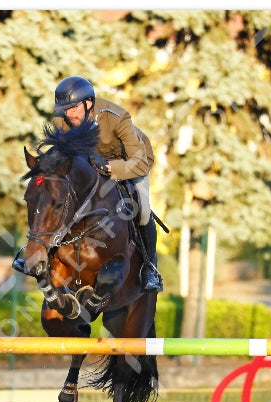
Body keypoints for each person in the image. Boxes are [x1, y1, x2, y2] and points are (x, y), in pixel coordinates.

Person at [14, 76, 163, 292]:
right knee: (58, 195)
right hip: (91, 161)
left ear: (89, 103)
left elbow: (139, 162)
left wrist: (112, 168)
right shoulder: (63, 118)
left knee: (143, 210)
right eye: (65, 109)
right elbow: (62, 153)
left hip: (131, 161)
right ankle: (37, 247)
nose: (69, 114)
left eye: (74, 107)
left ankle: (150, 267)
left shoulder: (117, 117)